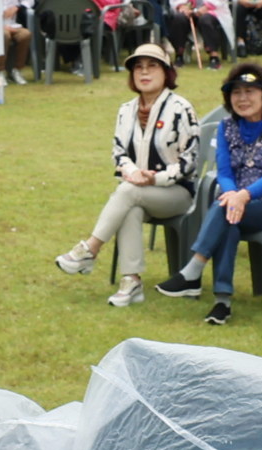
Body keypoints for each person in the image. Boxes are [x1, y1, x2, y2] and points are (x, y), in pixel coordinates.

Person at [55, 44, 202, 302]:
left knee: (127, 192)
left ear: (167, 72)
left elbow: (189, 162)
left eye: (152, 65)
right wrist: (133, 172)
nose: (144, 72)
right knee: (130, 203)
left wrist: (154, 178)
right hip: (137, 191)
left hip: (178, 193)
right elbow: (119, 152)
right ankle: (131, 281)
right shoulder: (126, 110)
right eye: (138, 67)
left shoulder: (181, 108)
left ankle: (90, 249)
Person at [173, 62, 262, 324]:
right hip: (235, 204)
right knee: (229, 221)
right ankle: (222, 302)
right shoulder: (226, 126)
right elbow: (224, 171)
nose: (243, 99)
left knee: (223, 209)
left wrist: (242, 196)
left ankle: (194, 269)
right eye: (236, 93)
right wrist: (233, 194)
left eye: (250, 91)